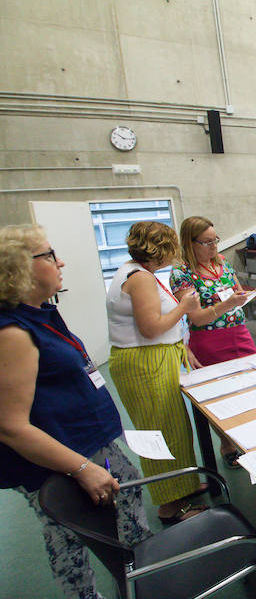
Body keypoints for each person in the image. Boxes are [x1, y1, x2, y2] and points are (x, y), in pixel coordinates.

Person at [0, 224, 151, 599]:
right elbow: (11, 427)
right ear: (20, 268)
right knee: (69, 533)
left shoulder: (40, 312)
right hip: (60, 456)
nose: (61, 261)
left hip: (85, 440)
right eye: (50, 255)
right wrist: (81, 468)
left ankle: (142, 572)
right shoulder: (13, 333)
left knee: (125, 490)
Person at [105, 222, 210, 523]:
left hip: (154, 359)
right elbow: (151, 328)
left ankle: (183, 485)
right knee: (159, 430)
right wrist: (185, 306)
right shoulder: (139, 279)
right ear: (161, 248)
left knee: (174, 426)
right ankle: (170, 504)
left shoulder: (136, 272)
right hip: (144, 363)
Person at [170, 216, 256, 467]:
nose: (214, 247)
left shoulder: (221, 262)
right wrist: (227, 304)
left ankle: (252, 435)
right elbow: (196, 317)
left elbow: (237, 293)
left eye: (215, 240)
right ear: (190, 243)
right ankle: (227, 442)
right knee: (220, 395)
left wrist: (248, 295)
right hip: (209, 339)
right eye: (206, 242)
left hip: (238, 332)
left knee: (253, 384)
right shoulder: (182, 273)